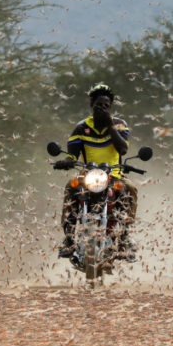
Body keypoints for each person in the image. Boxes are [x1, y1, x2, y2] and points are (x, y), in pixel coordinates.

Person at [56, 82, 139, 261]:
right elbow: (72, 155)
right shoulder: (81, 127)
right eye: (98, 105)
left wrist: (110, 126)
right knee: (70, 187)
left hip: (114, 176)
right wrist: (66, 161)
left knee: (130, 189)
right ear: (91, 105)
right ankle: (69, 239)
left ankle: (124, 238)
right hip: (88, 175)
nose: (101, 108)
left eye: (105, 106)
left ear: (110, 107)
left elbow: (122, 149)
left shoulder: (119, 124)